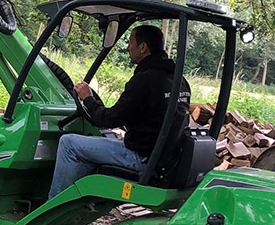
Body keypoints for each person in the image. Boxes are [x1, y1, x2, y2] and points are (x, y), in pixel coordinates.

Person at [47, 24, 191, 198]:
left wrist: (88, 98)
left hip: (140, 157)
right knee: (95, 144)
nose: (128, 47)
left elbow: (107, 119)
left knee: (68, 143)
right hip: (159, 157)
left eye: (131, 43)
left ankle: (52, 205)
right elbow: (151, 116)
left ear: (143, 47)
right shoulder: (179, 81)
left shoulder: (144, 80)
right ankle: (80, 202)